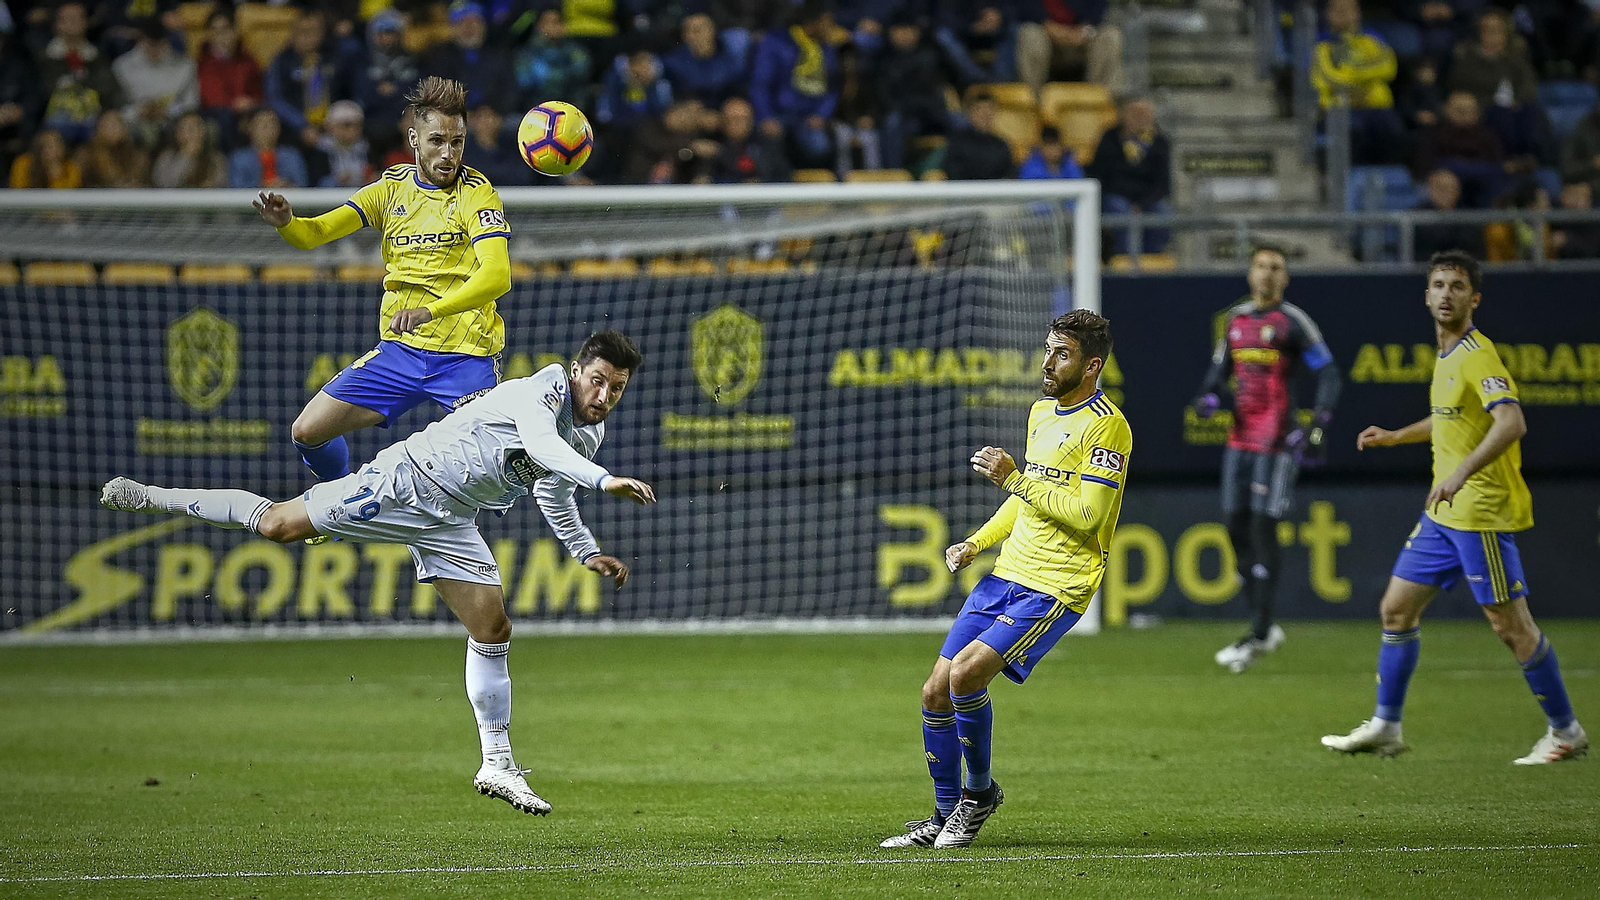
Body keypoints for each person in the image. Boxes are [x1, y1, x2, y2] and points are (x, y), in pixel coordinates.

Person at [99, 332, 658, 815]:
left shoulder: (586, 436)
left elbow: (551, 487)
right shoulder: (542, 389)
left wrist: (584, 551)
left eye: (617, 388)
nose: (603, 396)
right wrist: (606, 480)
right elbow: (539, 445)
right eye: (599, 381)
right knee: (278, 526)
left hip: (452, 519)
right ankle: (150, 495)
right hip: (405, 482)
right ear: (577, 369)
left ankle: (498, 765)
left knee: (491, 627)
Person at [1321, 250, 1588, 766]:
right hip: (1444, 515)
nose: (1446, 293)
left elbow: (1510, 422)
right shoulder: (1447, 355)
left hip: (1478, 512)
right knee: (1396, 610)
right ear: (1426, 295)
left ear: (1474, 298)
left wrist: (1460, 473)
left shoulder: (1477, 354)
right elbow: (1449, 420)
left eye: (1457, 286)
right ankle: (1387, 725)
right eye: (1438, 284)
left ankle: (1565, 730)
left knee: (1511, 627)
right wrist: (1398, 436)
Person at [880, 309, 1131, 850]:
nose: (1046, 362)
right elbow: (1027, 503)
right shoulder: (1041, 413)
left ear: (1090, 366)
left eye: (1060, 354)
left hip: (1057, 585)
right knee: (934, 692)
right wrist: (976, 543)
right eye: (1047, 349)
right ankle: (946, 814)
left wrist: (1014, 477)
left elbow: (1087, 514)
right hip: (1007, 573)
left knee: (966, 676)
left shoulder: (1107, 426)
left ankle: (978, 796)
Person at [251, 77, 511, 487]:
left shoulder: (477, 193)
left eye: (457, 142)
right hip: (399, 355)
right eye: (437, 141)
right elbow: (315, 234)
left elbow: (497, 276)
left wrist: (430, 311)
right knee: (307, 431)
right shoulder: (390, 189)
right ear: (414, 138)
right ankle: (337, 501)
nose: (448, 154)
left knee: (491, 475)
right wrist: (288, 223)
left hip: (466, 358)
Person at [1191, 245, 1341, 673]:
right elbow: (1218, 374)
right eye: (1261, 266)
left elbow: (1328, 373)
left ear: (1286, 278)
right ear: (1250, 274)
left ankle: (1258, 630)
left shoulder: (1293, 323)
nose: (1268, 274)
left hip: (1276, 444)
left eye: (1276, 268)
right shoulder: (1236, 320)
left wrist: (1317, 426)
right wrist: (1207, 397)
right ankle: (1262, 625)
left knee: (1262, 528)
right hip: (1238, 441)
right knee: (1234, 527)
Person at [1311, 0, 1404, 165]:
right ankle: (1348, 179)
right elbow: (1328, 78)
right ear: (1327, 14)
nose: (1343, 14)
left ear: (1358, 13)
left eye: (1348, 9)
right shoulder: (1320, 44)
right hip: (1337, 106)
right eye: (1337, 10)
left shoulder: (1373, 40)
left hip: (1375, 105)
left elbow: (1388, 68)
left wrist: (1348, 72)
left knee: (1393, 129)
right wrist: (1364, 77)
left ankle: (1384, 175)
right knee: (1353, 130)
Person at [749, 1, 839, 171]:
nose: (831, 27)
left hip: (808, 118)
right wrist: (766, 116)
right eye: (827, 22)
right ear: (812, 23)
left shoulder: (826, 49)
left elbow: (832, 88)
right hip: (779, 114)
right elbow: (760, 84)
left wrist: (821, 115)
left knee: (819, 146)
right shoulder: (776, 43)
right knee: (770, 144)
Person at [113, 16, 198, 145]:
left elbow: (192, 103)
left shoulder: (185, 65)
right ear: (141, 40)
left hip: (174, 122)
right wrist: (138, 112)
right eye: (151, 44)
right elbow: (117, 107)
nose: (156, 49)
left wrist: (169, 110)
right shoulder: (122, 66)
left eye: (161, 43)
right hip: (135, 123)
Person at [1015, 0, 1126, 97]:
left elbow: (1097, 12)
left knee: (1110, 36)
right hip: (1046, 39)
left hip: (1081, 40)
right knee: (1030, 34)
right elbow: (1025, 9)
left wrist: (1081, 33)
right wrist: (1050, 28)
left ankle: (1099, 99)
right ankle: (1033, 100)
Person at [661, 12, 748, 108]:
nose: (690, 37)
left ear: (711, 31)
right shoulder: (674, 62)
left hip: (729, 105)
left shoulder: (732, 52)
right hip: (697, 110)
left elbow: (741, 86)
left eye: (696, 31)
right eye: (686, 31)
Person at [1413, 168, 1486, 260]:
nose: (1447, 193)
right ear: (1431, 190)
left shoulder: (1469, 218)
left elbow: (1475, 253)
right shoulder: (1416, 217)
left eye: (1452, 188)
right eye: (1441, 188)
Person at [228, 107, 309, 188]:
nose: (269, 129)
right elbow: (236, 188)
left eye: (273, 124)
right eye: (263, 125)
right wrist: (265, 186)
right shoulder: (239, 158)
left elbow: (302, 185)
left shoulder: (292, 156)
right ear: (250, 128)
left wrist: (286, 185)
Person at [943, 91, 1014, 180]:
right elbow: (953, 173)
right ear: (970, 113)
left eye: (989, 109)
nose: (985, 114)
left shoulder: (1001, 145)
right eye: (980, 109)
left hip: (995, 192)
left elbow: (1010, 175)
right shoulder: (957, 143)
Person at [151, 110, 227, 188]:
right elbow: (163, 184)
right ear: (178, 133)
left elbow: (219, 185)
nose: (195, 132)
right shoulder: (167, 157)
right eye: (189, 128)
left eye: (198, 126)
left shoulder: (216, 158)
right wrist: (186, 156)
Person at [76, 109, 150, 188]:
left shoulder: (137, 157)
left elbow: (143, 184)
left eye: (115, 124)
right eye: (106, 125)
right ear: (98, 128)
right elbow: (79, 185)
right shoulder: (86, 155)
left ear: (124, 128)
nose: (111, 129)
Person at [313, 99, 371, 188]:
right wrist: (336, 180)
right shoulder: (319, 150)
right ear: (330, 126)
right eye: (346, 125)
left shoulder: (369, 148)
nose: (353, 130)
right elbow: (314, 183)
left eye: (357, 125)